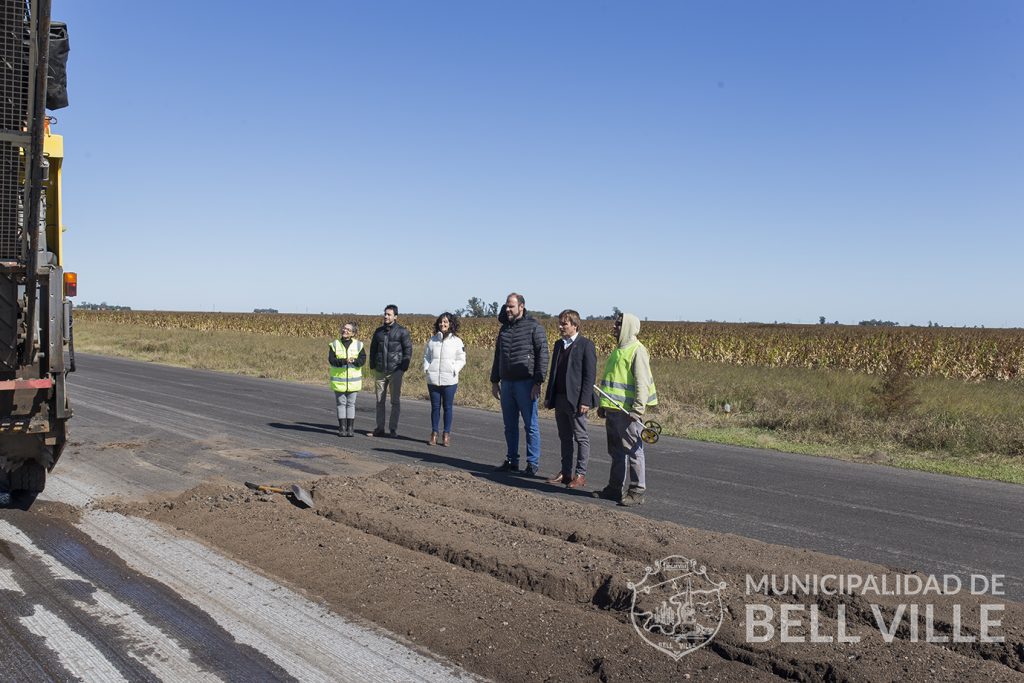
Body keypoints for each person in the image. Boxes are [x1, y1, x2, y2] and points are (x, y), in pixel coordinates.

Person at [592, 312, 657, 507]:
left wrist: (638, 409)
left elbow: (642, 383)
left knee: (634, 450)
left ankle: (637, 490)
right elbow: (612, 381)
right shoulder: (618, 350)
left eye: (619, 324)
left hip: (627, 412)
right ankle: (614, 488)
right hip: (613, 409)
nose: (615, 327)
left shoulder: (637, 350)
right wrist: (603, 405)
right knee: (616, 451)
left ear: (627, 326)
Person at [491, 293, 548, 477]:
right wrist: (494, 380)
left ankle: (532, 463)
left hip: (526, 382)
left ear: (521, 307)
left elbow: (543, 354)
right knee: (509, 425)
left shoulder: (534, 327)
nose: (507, 309)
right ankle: (512, 460)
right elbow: (498, 355)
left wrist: (538, 381)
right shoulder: (504, 329)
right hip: (507, 382)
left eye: (511, 306)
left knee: (530, 426)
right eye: (506, 306)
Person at [543, 309, 596, 489]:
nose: (560, 327)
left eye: (564, 324)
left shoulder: (586, 345)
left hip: (576, 401)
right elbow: (554, 373)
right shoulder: (559, 344)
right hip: (560, 398)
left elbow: (590, 376)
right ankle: (566, 473)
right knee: (564, 437)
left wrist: (585, 400)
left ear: (575, 325)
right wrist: (549, 396)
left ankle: (580, 474)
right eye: (560, 323)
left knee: (580, 437)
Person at [422, 312, 467, 446]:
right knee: (435, 407)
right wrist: (427, 368)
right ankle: (434, 433)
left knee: (447, 407)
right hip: (433, 379)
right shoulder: (432, 340)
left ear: (451, 324)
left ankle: (446, 434)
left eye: (446, 322)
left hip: (450, 380)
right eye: (441, 322)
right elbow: (427, 356)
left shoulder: (457, 341)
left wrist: (454, 369)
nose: (443, 324)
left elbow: (461, 359)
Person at [368, 304, 412, 437]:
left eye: (389, 314)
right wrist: (372, 364)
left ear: (395, 317)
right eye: (385, 314)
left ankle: (393, 429)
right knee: (379, 401)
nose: (386, 316)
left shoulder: (402, 332)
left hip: (395, 370)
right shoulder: (378, 331)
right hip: (380, 370)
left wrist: (403, 366)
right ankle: (380, 428)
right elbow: (373, 349)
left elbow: (408, 350)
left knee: (395, 401)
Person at [328, 322, 366, 437]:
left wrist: (354, 361)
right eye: (344, 328)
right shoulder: (334, 344)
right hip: (339, 381)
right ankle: (342, 427)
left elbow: (362, 360)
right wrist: (344, 361)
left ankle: (350, 428)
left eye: (348, 330)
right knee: (341, 403)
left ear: (353, 333)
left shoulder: (359, 345)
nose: (345, 331)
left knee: (351, 404)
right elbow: (332, 360)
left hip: (353, 382)